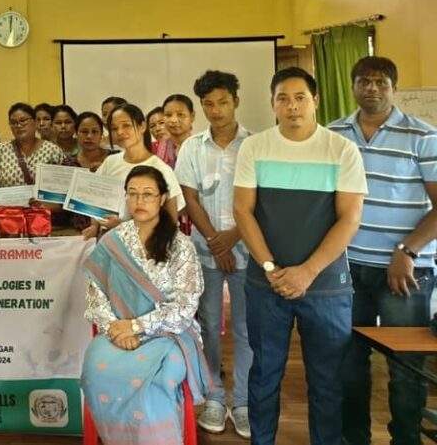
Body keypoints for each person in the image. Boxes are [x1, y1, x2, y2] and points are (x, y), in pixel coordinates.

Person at [233, 67, 366, 445]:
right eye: (282, 99)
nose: (292, 107)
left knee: (327, 381)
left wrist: (307, 272)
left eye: (300, 98)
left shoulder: (342, 150)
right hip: (265, 284)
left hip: (325, 287)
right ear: (273, 104)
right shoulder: (255, 147)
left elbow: (350, 218)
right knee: (265, 376)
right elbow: (243, 211)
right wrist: (272, 268)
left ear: (316, 101)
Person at [328, 56, 437, 445]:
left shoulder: (422, 135)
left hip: (405, 271)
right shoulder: (334, 134)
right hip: (346, 267)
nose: (372, 88)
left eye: (381, 82)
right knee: (348, 363)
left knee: (406, 367)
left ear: (394, 88)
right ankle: (353, 438)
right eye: (364, 81)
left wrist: (407, 250)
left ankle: (405, 439)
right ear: (353, 85)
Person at [80, 165, 211, 445]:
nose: (140, 201)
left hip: (167, 334)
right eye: (133, 194)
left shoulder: (180, 245)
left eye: (148, 194)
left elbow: (186, 305)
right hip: (117, 330)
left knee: (155, 380)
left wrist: (137, 326)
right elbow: (96, 292)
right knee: (95, 368)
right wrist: (115, 328)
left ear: (162, 198)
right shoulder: (113, 241)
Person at [174, 70, 252, 438]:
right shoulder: (192, 147)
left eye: (222, 102)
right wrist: (214, 241)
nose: (216, 110)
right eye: (208, 103)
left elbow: (258, 198)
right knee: (207, 326)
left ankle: (245, 402)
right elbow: (190, 198)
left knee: (246, 328)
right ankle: (216, 396)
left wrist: (233, 237)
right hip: (205, 253)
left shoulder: (255, 144)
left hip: (247, 252)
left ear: (236, 101)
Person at [83, 104, 185, 239]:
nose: (120, 132)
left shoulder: (160, 168)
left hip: (147, 245)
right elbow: (96, 199)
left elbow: (171, 221)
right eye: (114, 128)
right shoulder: (110, 162)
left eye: (126, 125)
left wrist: (123, 226)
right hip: (109, 241)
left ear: (142, 126)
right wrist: (95, 226)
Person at [0, 103, 65, 212]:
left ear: (34, 122)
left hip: (44, 220)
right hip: (9, 219)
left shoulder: (53, 150)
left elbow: (63, 190)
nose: (19, 126)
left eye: (23, 121)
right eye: (14, 123)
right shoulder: (0, 150)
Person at [63, 112, 110, 231]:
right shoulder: (68, 163)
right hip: (78, 232)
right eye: (84, 132)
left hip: (110, 230)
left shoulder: (114, 159)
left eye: (95, 132)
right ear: (76, 133)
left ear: (101, 134)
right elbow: (62, 201)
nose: (89, 136)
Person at [154, 94, 196, 168]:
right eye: (168, 115)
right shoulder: (153, 149)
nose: (174, 120)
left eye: (180, 115)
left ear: (192, 116)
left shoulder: (201, 147)